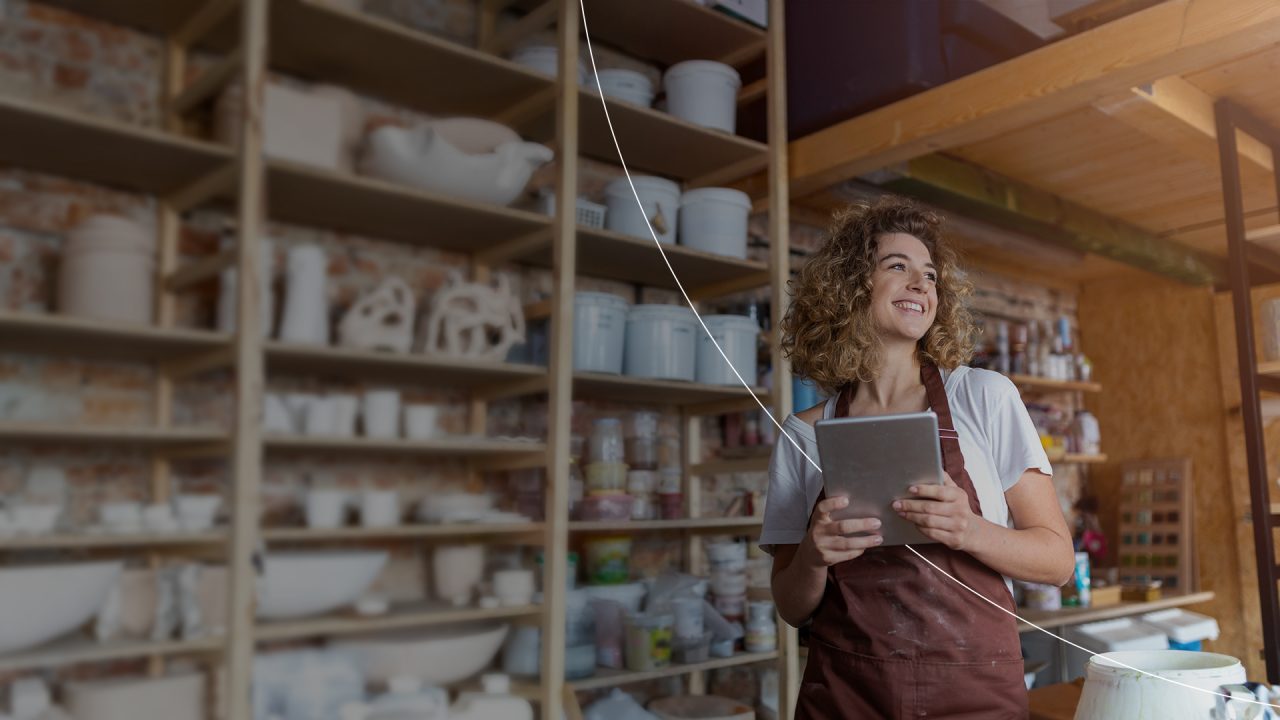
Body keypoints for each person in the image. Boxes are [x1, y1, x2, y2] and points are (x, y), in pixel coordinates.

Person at [759, 197, 1075, 719]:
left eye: (929, 275)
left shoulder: (985, 397)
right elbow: (792, 608)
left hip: (973, 695)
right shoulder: (803, 435)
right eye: (897, 266)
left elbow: (1058, 561)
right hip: (848, 694)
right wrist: (814, 555)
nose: (921, 284)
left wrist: (969, 529)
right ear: (849, 287)